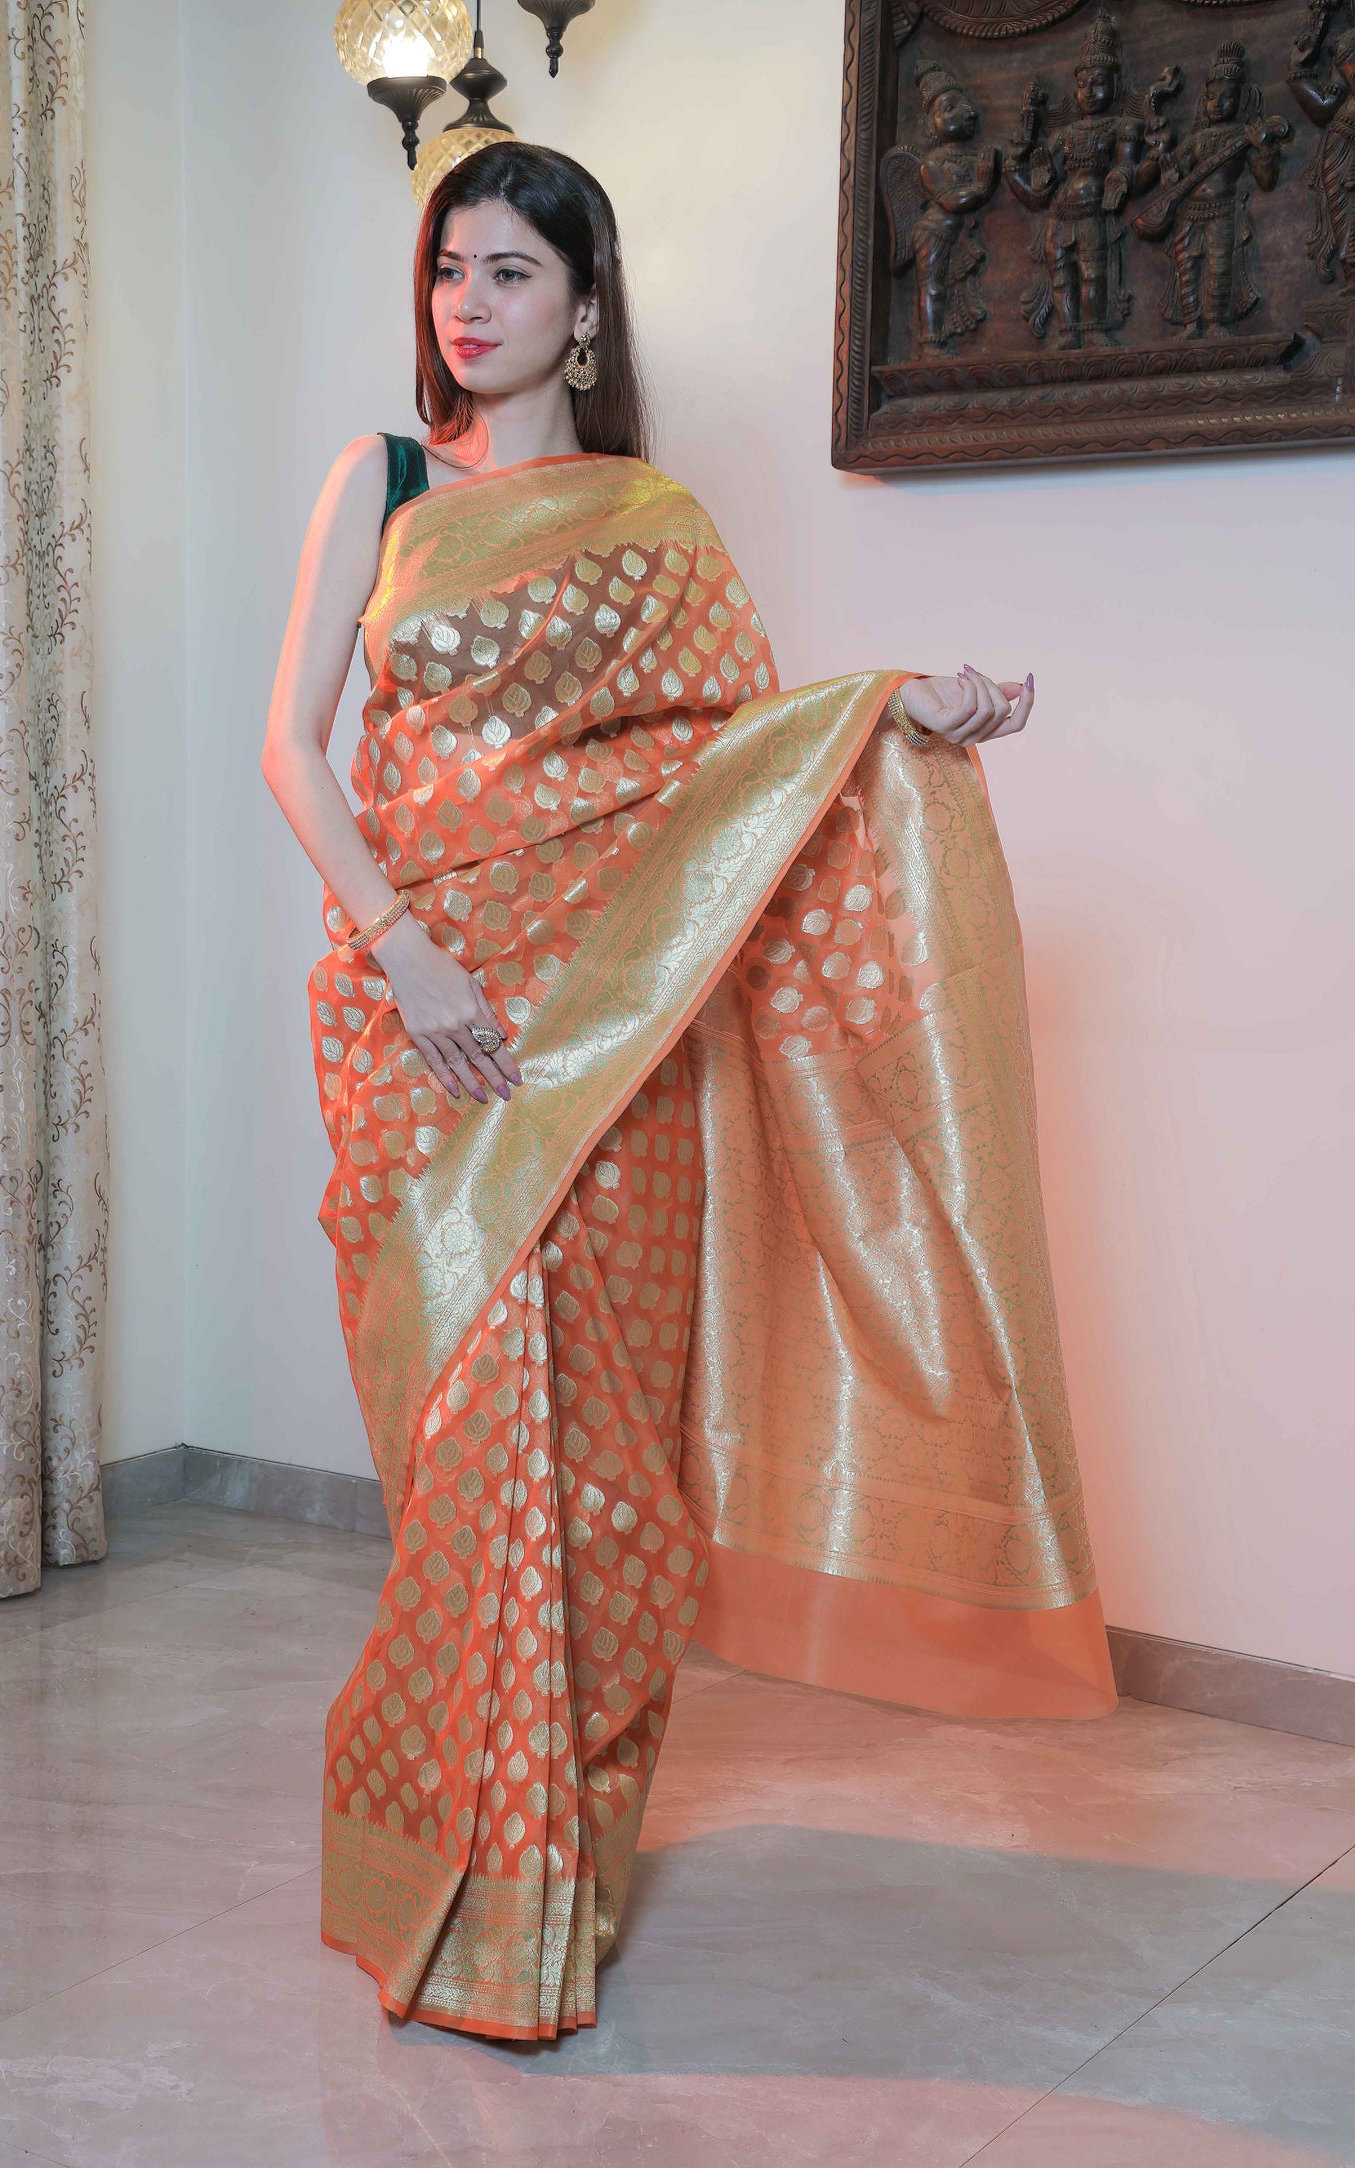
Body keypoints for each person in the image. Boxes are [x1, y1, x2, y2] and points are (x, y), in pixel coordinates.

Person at [262, 140, 1117, 2043]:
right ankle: (445, 1860)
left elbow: (728, 767)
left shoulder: (650, 521)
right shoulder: (380, 487)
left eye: (510, 273)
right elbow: (292, 751)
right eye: (449, 269)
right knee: (466, 1448)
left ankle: (539, 1886)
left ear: (586, 306)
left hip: (610, 1027)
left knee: (588, 1459)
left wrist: (892, 709)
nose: (468, 305)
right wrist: (404, 950)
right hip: (418, 1024)